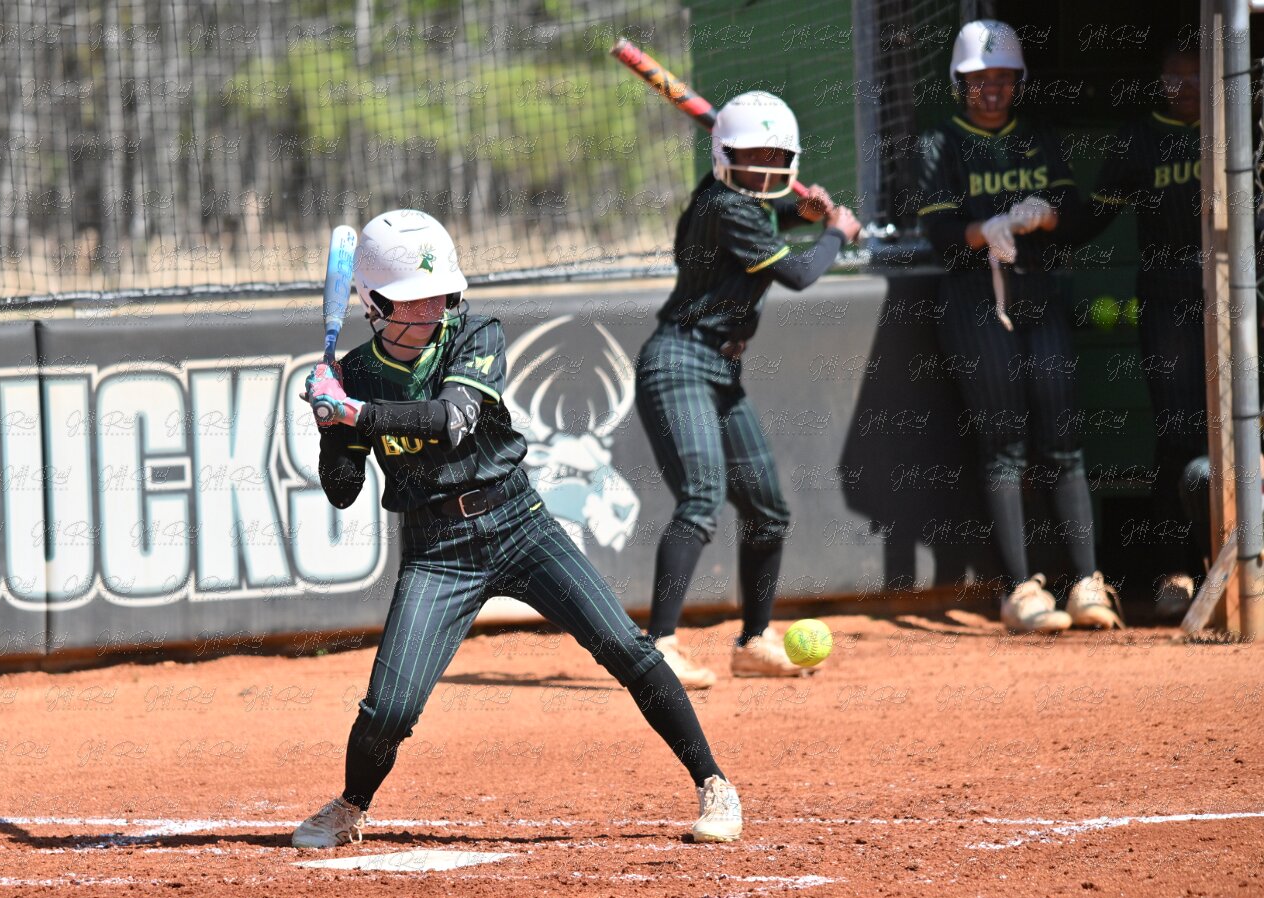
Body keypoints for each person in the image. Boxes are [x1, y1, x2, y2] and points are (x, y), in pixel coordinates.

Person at [293, 208, 742, 847]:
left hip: (519, 525)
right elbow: (342, 493)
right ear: (375, 303)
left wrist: (355, 414)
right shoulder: (357, 376)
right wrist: (329, 424)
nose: (431, 310)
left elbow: (452, 420)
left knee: (626, 648)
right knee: (389, 708)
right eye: (412, 300)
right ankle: (350, 805)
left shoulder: (477, 335)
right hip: (437, 550)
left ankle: (713, 782)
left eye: (439, 295)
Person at [633, 90, 861, 688]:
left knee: (767, 510)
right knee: (701, 497)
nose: (764, 167)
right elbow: (799, 274)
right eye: (753, 156)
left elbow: (758, 230)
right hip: (678, 362)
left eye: (774, 157)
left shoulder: (735, 205)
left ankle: (754, 642)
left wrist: (799, 216)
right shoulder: (723, 203)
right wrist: (836, 231)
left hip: (721, 372)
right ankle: (658, 647)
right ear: (725, 155)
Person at [915, 19, 1124, 632]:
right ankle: (1019, 591)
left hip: (1039, 290)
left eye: (1004, 79)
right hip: (974, 298)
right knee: (1004, 444)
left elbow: (1076, 220)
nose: (992, 90)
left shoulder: (1036, 136)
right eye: (980, 79)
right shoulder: (938, 143)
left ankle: (1086, 583)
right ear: (960, 82)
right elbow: (939, 233)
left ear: (1018, 81)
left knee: (1064, 441)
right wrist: (987, 230)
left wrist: (1046, 217)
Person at [1075, 41, 1206, 618]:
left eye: (1196, 77)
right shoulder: (1140, 138)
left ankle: (1241, 561)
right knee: (1178, 436)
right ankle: (1176, 572)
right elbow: (1090, 217)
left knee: (1244, 432)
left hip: (1240, 297)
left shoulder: (1244, 126)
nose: (1184, 88)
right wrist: (1036, 220)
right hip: (1169, 299)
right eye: (1174, 78)